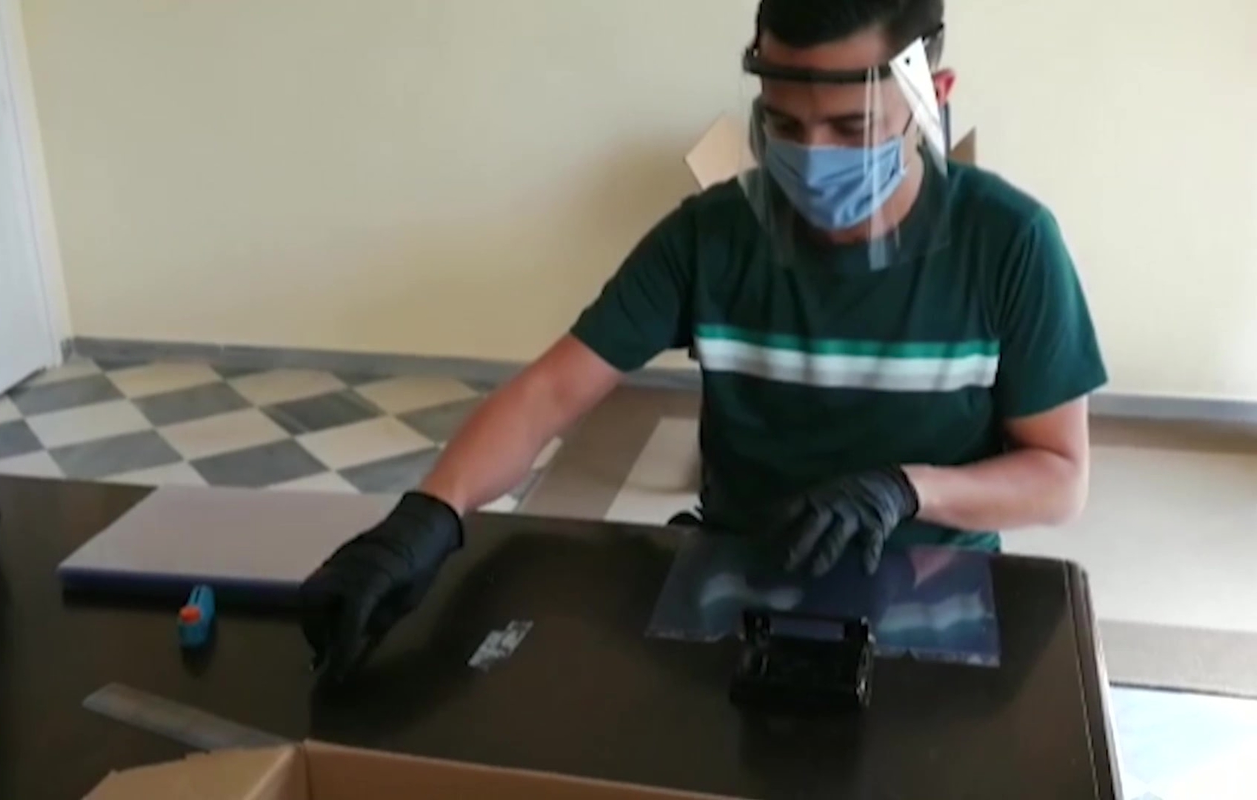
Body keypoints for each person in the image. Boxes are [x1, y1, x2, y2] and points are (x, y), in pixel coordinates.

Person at [300, 0, 1107, 684]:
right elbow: (549, 395)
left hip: (937, 599)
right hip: (739, 588)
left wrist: (906, 490)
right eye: (784, 125)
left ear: (933, 95)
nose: (814, 156)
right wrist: (429, 515)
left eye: (850, 126)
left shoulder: (1009, 244)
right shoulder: (712, 238)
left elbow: (1059, 478)